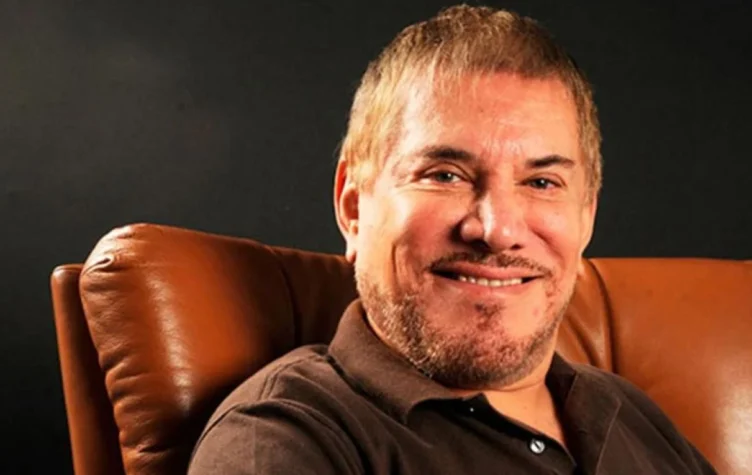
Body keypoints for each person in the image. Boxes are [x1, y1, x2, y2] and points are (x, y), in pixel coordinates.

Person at [189, 5, 716, 474]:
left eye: (541, 183)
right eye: (445, 175)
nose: (497, 231)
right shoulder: (287, 439)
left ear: (586, 217)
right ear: (353, 207)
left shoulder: (630, 413)